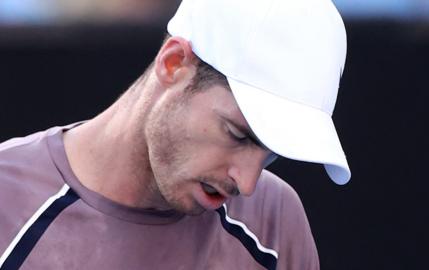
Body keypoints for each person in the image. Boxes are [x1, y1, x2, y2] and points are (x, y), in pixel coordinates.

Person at [0, 0, 351, 269]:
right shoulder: (7, 196)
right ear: (174, 64)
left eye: (271, 152)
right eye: (238, 135)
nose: (246, 184)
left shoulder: (276, 219)